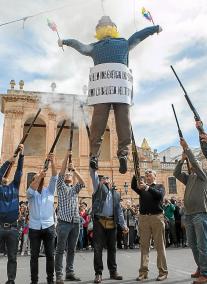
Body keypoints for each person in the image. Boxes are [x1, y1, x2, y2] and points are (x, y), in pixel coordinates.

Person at [58, 16, 162, 174]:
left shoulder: (95, 47)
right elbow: (139, 35)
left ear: (98, 31)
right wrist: (154, 29)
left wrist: (65, 41)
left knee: (97, 124)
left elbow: (80, 46)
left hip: (102, 91)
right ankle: (122, 154)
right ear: (114, 28)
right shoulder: (124, 43)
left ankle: (93, 155)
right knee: (123, 122)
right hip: (121, 89)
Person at [173, 138, 207, 284]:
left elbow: (195, 163)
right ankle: (200, 267)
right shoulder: (190, 178)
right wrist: (181, 160)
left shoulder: (203, 175)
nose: (194, 165)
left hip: (200, 213)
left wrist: (187, 148)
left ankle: (205, 273)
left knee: (202, 244)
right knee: (192, 244)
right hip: (189, 214)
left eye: (196, 164)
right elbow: (175, 173)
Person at [90, 166, 128, 283]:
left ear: (111, 182)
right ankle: (98, 273)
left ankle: (113, 271)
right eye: (104, 178)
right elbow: (93, 176)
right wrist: (93, 167)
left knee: (112, 248)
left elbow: (119, 211)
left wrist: (124, 225)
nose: (106, 179)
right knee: (98, 249)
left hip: (112, 222)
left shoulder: (116, 194)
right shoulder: (98, 189)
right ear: (101, 181)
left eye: (108, 178)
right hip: (99, 222)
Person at [131, 169, 168, 281]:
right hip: (144, 218)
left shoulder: (159, 186)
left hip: (157, 217)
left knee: (159, 246)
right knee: (144, 246)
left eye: (149, 174)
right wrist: (135, 174)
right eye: (146, 174)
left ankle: (163, 272)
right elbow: (133, 186)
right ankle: (143, 272)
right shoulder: (142, 189)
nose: (147, 175)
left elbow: (159, 196)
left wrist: (147, 187)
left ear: (155, 176)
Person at [27, 153, 58, 284]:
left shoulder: (49, 191)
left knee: (50, 256)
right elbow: (31, 188)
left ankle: (50, 280)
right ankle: (34, 281)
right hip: (34, 228)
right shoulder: (31, 193)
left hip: (49, 227)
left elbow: (55, 177)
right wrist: (39, 175)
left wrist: (52, 162)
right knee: (34, 257)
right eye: (35, 179)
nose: (40, 180)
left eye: (40, 178)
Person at [55, 150, 85, 284]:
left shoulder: (74, 189)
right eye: (67, 174)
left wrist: (74, 169)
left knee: (72, 249)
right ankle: (59, 275)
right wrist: (66, 156)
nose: (68, 174)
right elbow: (61, 172)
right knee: (60, 249)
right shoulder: (60, 186)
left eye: (70, 174)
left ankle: (70, 272)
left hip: (75, 222)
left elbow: (83, 182)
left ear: (72, 178)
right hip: (64, 222)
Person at [0, 144, 24, 284]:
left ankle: (11, 280)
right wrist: (9, 160)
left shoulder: (14, 187)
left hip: (13, 228)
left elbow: (20, 171)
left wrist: (21, 155)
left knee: (12, 257)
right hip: (0, 226)